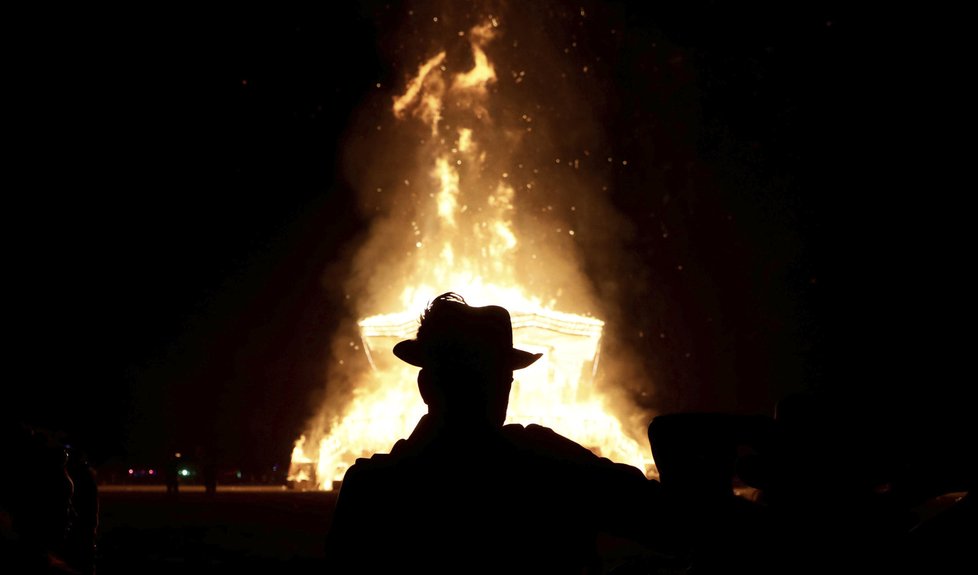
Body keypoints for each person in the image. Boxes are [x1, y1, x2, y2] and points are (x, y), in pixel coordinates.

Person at [324, 292, 665, 573]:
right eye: (503, 379)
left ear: (426, 385)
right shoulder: (551, 465)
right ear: (503, 386)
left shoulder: (370, 487)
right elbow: (667, 522)